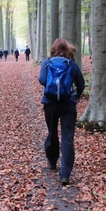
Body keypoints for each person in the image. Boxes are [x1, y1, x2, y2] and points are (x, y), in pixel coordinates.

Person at [38, 38, 85, 186]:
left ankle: (52, 162)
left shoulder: (47, 63)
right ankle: (65, 174)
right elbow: (81, 84)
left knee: (52, 132)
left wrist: (53, 86)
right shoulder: (72, 64)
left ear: (53, 49)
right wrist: (75, 95)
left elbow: (42, 80)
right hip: (68, 105)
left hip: (50, 103)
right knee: (67, 138)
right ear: (67, 49)